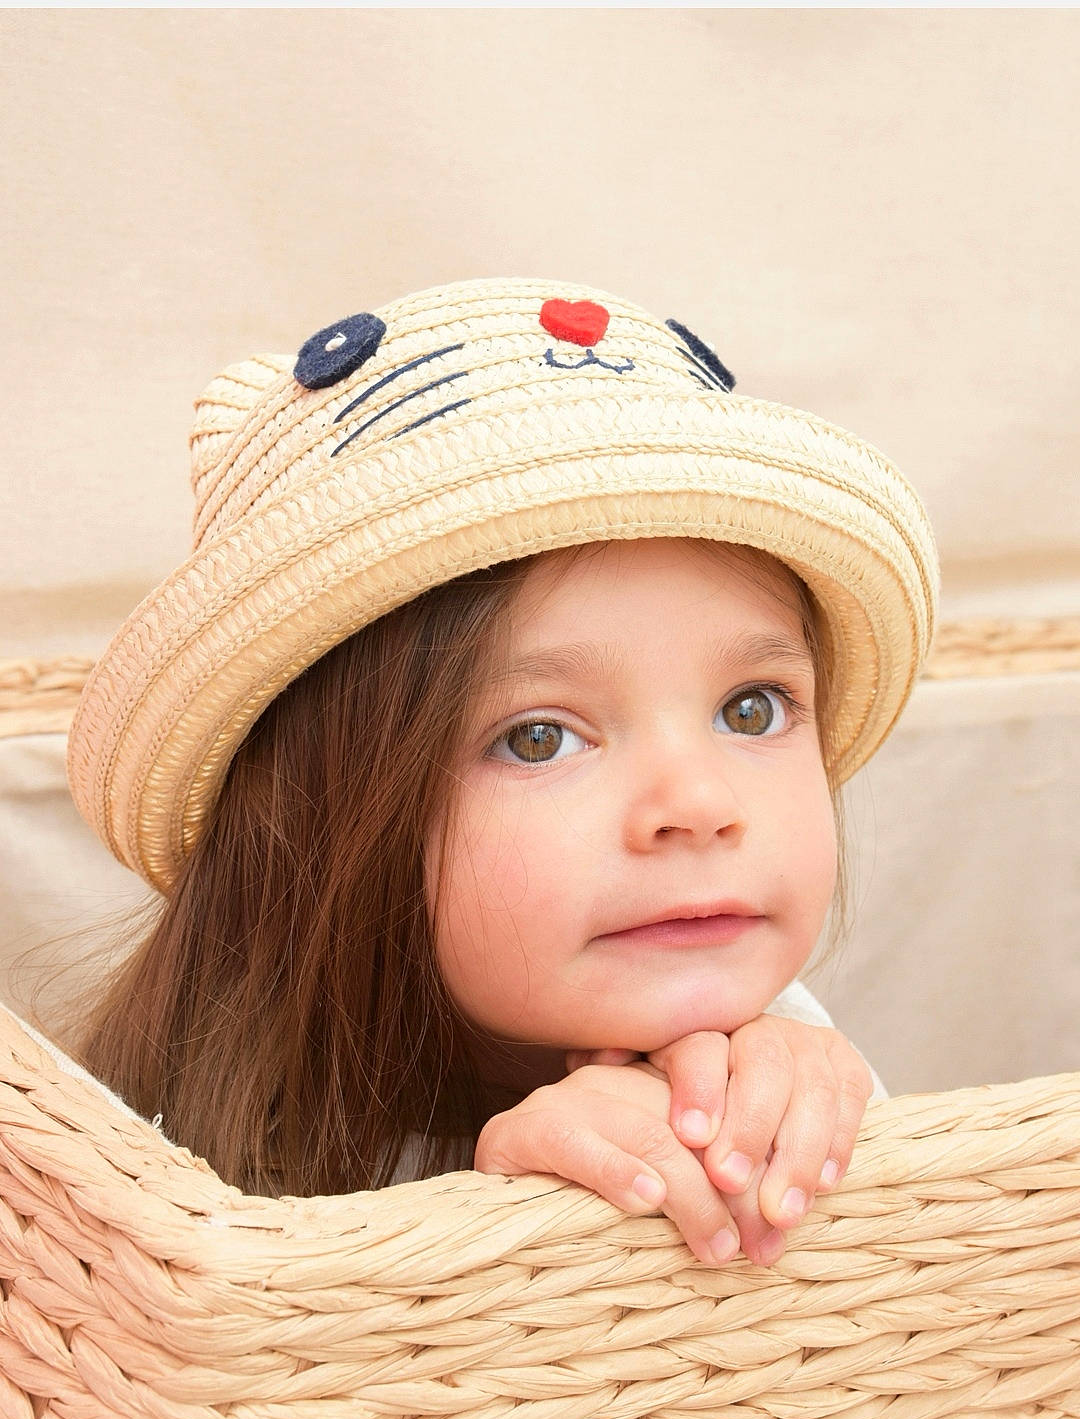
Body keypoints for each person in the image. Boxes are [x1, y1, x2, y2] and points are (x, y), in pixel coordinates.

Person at [61, 275, 938, 1273]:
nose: (699, 807)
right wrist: (489, 1226)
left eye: (752, 709)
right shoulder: (180, 1171)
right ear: (319, 825)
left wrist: (812, 1097)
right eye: (538, 739)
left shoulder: (757, 1053)